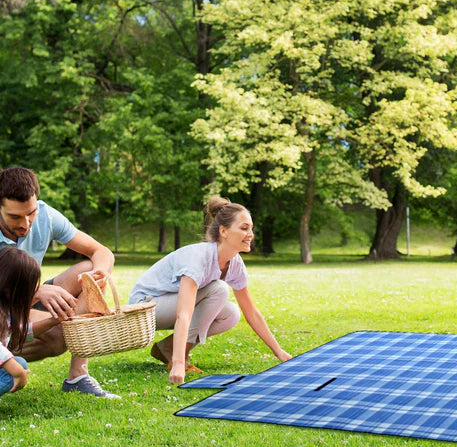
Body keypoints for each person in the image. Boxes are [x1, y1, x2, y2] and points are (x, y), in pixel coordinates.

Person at [128, 196, 292, 385]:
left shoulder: (235, 264)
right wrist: (179, 364)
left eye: (251, 228)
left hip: (166, 306)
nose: (251, 234)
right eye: (244, 228)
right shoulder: (198, 258)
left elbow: (252, 314)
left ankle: (167, 348)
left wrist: (278, 351)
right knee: (219, 289)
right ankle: (178, 355)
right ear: (223, 231)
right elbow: (183, 314)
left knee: (231, 314)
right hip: (145, 308)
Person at [0, 166, 119, 398]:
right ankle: (6, 353)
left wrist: (100, 273)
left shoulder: (46, 215)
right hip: (4, 309)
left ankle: (78, 377)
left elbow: (100, 251)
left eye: (30, 213)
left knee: (89, 271)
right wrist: (37, 291)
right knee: (55, 338)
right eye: (15, 216)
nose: (26, 224)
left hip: (24, 307)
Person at [0, 248, 62, 399]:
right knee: (16, 367)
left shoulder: (5, 310)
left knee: (19, 362)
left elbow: (17, 332)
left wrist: (54, 321)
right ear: (10, 288)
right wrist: (18, 372)